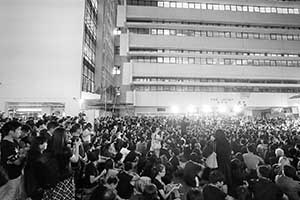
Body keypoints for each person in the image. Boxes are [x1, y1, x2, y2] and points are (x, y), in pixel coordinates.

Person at [42, 127, 80, 200]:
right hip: (64, 179)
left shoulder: (48, 149)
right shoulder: (66, 150)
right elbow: (75, 160)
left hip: (52, 179)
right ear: (63, 137)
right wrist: (77, 146)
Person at [0, 121, 25, 200]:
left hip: (16, 174)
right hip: (9, 177)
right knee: (9, 196)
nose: (20, 132)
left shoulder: (14, 141)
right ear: (11, 132)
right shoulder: (5, 145)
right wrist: (23, 156)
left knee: (15, 195)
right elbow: (16, 162)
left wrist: (20, 155)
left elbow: (17, 155)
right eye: (18, 129)